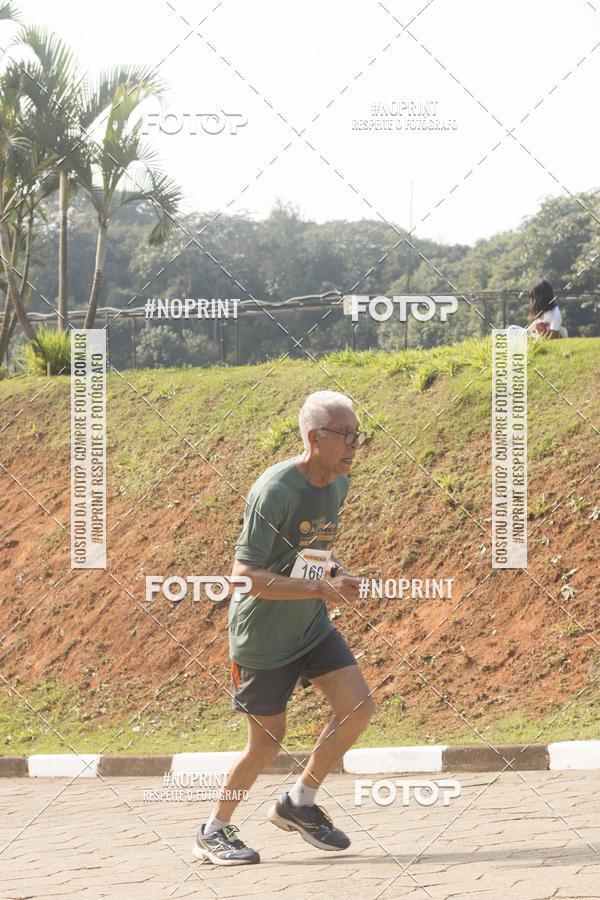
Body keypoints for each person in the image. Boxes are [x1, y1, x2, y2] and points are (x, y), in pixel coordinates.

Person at [192, 390, 373, 865]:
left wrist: (335, 574)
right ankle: (214, 830)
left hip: (310, 626)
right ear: (316, 438)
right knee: (267, 742)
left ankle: (299, 804)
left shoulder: (337, 482)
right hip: (263, 638)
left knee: (357, 707)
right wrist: (318, 590)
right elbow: (244, 577)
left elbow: (311, 551)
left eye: (359, 435)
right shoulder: (274, 491)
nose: (355, 444)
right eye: (346, 435)